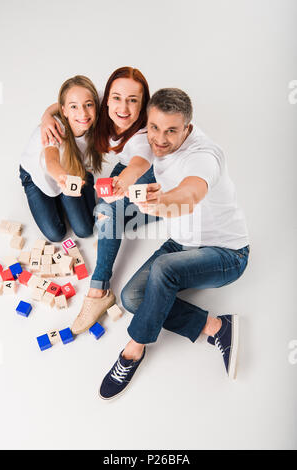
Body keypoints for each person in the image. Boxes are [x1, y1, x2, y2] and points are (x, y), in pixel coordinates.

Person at [98, 88, 250, 400]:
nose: (160, 139)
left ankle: (133, 351)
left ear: (188, 129)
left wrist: (165, 200)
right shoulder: (153, 134)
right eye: (154, 128)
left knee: (164, 270)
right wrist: (122, 184)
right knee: (131, 298)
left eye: (171, 131)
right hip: (182, 242)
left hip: (226, 253)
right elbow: (139, 161)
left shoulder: (203, 157)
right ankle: (216, 327)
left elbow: (191, 193)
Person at [40, 67, 158, 333]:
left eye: (133, 100)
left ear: (144, 103)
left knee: (106, 211)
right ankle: (112, 236)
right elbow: (71, 102)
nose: (123, 107)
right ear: (106, 99)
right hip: (127, 170)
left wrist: (124, 181)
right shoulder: (103, 106)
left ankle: (99, 289)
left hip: (155, 178)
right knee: (105, 217)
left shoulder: (143, 136)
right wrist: (48, 115)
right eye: (116, 98)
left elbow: (140, 162)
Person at [20, 75, 101, 242]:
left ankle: (82, 181)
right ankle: (56, 197)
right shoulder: (54, 129)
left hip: (71, 168)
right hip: (38, 176)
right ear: (63, 110)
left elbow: (104, 100)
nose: (83, 113)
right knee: (56, 234)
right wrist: (61, 178)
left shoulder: (94, 107)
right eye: (74, 107)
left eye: (88, 105)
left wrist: (47, 112)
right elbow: (51, 161)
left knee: (85, 230)